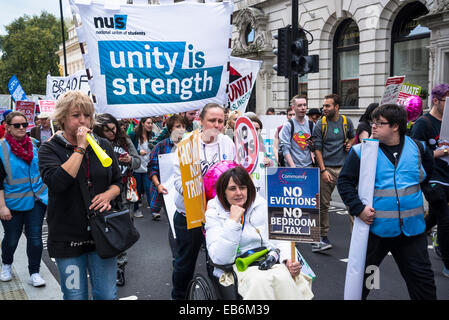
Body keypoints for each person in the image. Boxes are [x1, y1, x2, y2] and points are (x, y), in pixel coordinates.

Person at [337, 103, 437, 299]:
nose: (373, 127)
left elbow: (427, 173)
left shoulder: (418, 148)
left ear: (395, 126)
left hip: (412, 231)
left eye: (379, 123)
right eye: (372, 122)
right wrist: (358, 209)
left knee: (423, 282)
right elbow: (345, 182)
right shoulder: (361, 152)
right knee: (366, 280)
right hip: (376, 231)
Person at [38, 91, 122, 299]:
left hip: (101, 234)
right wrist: (81, 147)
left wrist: (108, 195)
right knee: (75, 295)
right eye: (76, 115)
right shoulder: (49, 149)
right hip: (67, 239)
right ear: (62, 118)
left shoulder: (103, 145)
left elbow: (118, 182)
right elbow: (57, 183)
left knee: (106, 295)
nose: (83, 120)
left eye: (87, 115)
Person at [205, 166, 313, 300]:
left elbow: (280, 238)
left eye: (242, 187)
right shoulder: (213, 213)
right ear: (223, 192)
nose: (238, 193)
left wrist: (288, 261)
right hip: (236, 267)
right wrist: (232, 222)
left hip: (267, 261)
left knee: (284, 277)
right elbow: (221, 258)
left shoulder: (261, 204)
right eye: (232, 189)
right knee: (259, 281)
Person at [171, 103, 236, 300]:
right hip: (189, 214)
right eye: (212, 120)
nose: (216, 125)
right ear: (201, 121)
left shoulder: (227, 143)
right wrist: (204, 192)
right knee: (185, 263)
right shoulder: (186, 144)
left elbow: (234, 175)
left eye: (220, 121)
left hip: (218, 215)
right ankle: (180, 298)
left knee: (218, 262)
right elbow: (178, 182)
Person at [0, 111, 48, 287]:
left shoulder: (34, 144)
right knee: (11, 238)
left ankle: (34, 272)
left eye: (24, 125)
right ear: (8, 127)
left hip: (36, 201)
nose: (21, 128)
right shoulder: (1, 148)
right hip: (11, 203)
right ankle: (6, 265)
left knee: (35, 239)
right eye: (16, 125)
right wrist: (2, 206)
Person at [92, 113, 141, 287]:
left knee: (123, 227)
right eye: (107, 130)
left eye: (114, 128)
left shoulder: (124, 141)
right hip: (105, 192)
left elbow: (138, 162)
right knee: (106, 227)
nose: (112, 132)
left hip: (125, 190)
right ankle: (107, 261)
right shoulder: (95, 142)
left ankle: (120, 267)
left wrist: (129, 160)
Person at [411, 83, 449, 278]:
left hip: (447, 176)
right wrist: (440, 152)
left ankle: (414, 236)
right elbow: (416, 153)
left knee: (435, 216)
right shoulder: (423, 123)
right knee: (445, 217)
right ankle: (447, 261)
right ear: (436, 100)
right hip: (432, 178)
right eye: (447, 100)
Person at [311, 93, 355, 252]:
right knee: (323, 204)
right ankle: (323, 236)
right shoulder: (320, 125)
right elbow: (317, 149)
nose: (324, 108)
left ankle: (356, 237)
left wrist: (349, 144)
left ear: (337, 107)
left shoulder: (346, 122)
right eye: (324, 106)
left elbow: (352, 137)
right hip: (327, 168)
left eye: (327, 106)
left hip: (344, 168)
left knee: (351, 203)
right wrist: (323, 170)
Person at [147, 114, 186, 261]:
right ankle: (176, 258)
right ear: (170, 129)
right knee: (174, 224)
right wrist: (158, 185)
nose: (181, 129)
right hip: (168, 191)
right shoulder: (161, 146)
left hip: (187, 191)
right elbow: (152, 169)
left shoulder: (189, 144)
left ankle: (185, 255)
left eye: (183, 126)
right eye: (177, 127)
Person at [279, 95, 315, 168]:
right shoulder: (288, 126)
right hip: (292, 169)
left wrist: (312, 146)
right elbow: (285, 149)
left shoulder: (312, 125)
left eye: (305, 105)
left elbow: (315, 148)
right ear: (293, 108)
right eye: (299, 105)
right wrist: (293, 167)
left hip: (309, 168)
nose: (303, 108)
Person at [129, 117, 155, 218]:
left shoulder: (152, 135)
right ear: (142, 123)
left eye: (151, 123)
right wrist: (138, 152)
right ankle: (136, 209)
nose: (150, 125)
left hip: (147, 167)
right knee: (137, 190)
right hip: (136, 168)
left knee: (149, 189)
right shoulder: (133, 134)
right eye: (148, 123)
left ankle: (154, 211)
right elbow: (128, 147)